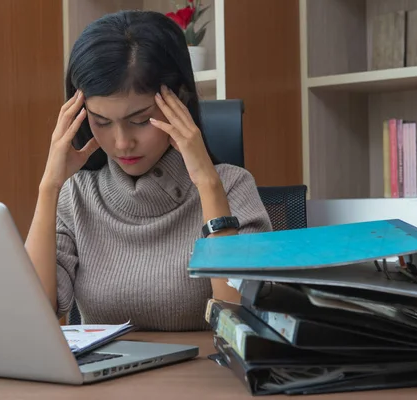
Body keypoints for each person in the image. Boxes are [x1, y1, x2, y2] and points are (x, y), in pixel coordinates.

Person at [25, 10, 272, 332]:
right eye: (101, 122)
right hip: (109, 377)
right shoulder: (77, 195)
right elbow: (35, 312)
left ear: (179, 99)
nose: (122, 142)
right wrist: (50, 187)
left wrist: (208, 184)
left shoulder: (232, 185)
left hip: (205, 378)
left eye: (140, 120)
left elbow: (241, 317)